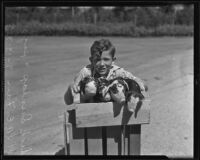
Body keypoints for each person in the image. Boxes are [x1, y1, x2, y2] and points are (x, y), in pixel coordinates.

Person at [64, 39, 147, 105]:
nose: (101, 64)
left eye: (106, 59)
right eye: (97, 60)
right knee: (76, 89)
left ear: (113, 61)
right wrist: (75, 87)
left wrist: (140, 84)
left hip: (107, 107)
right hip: (88, 103)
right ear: (91, 60)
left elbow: (134, 79)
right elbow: (69, 99)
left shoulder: (117, 72)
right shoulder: (86, 71)